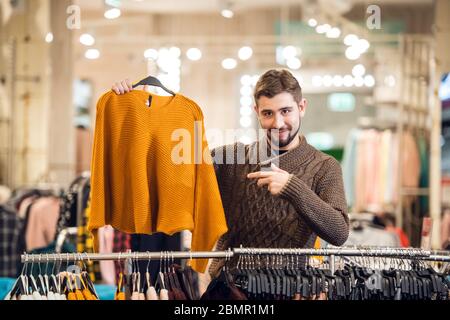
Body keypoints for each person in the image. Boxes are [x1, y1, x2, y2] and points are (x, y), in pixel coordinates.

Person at [111, 69, 349, 277]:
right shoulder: (230, 158)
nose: (277, 122)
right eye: (268, 113)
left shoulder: (324, 166)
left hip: (290, 289)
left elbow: (338, 233)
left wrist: (292, 188)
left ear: (302, 107)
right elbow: (166, 165)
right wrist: (137, 109)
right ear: (256, 111)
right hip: (229, 289)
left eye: (286, 111)